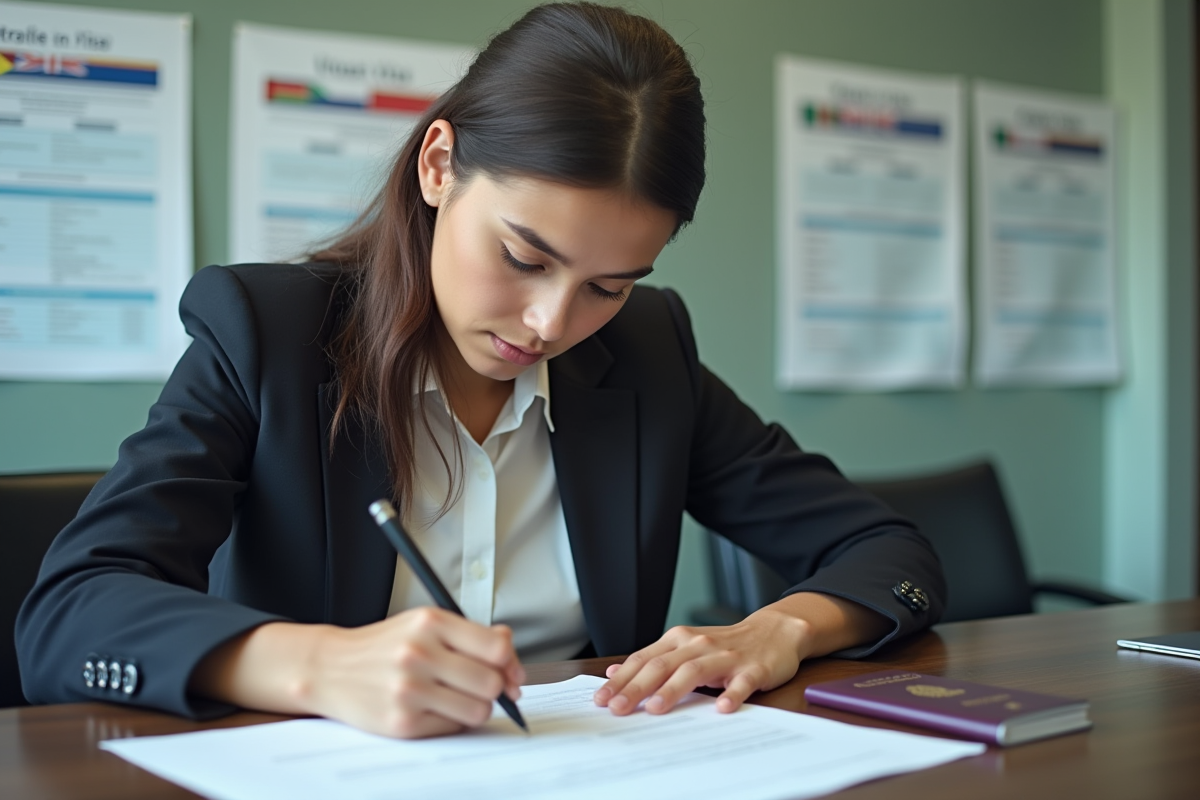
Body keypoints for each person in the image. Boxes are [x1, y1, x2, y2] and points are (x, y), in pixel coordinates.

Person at [16, 2, 944, 739]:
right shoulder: (267, 334)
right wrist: (315, 666)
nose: (552, 324)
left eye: (608, 286)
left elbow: (891, 555)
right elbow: (69, 613)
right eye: (524, 256)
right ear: (438, 164)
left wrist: (775, 629)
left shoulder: (647, 354)